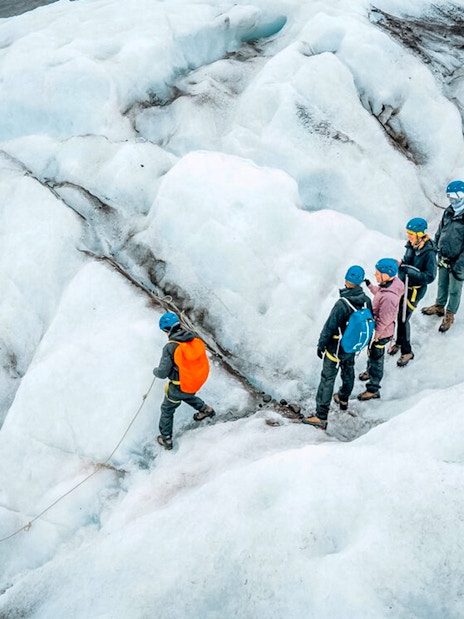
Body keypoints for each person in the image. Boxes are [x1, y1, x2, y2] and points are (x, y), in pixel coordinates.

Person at [303, 265, 372, 429]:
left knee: (327, 378)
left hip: (336, 348)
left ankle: (321, 416)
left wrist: (321, 345)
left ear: (347, 281)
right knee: (348, 371)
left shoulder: (342, 304)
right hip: (352, 347)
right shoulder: (366, 300)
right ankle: (343, 398)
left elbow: (330, 327)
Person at [153, 312, 215, 450]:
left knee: (167, 409)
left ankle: (166, 439)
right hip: (194, 381)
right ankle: (206, 410)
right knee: (186, 395)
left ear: (166, 330)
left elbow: (162, 373)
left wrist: (155, 371)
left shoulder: (170, 347)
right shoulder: (193, 339)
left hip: (178, 386)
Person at [389, 217, 437, 367]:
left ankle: (407, 351)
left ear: (420, 234)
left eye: (411, 233)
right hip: (405, 285)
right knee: (399, 314)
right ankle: (398, 341)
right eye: (408, 233)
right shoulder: (411, 245)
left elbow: (430, 276)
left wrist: (410, 271)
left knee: (404, 318)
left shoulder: (429, 252)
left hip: (415, 290)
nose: (408, 236)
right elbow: (407, 260)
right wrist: (401, 264)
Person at [357, 258, 404, 400]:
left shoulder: (390, 298)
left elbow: (385, 320)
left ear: (387, 274)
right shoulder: (390, 285)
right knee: (372, 353)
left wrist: (374, 336)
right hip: (379, 331)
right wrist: (370, 286)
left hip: (381, 333)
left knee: (377, 359)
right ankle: (369, 372)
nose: (376, 275)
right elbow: (380, 293)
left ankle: (373, 388)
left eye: (378, 273)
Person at [421, 180, 464, 332]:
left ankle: (450, 314)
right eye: (450, 197)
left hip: (459, 262)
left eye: (456, 197)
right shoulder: (449, 211)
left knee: (454, 289)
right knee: (442, 283)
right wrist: (435, 246)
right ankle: (439, 306)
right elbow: (441, 230)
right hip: (444, 256)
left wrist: (459, 264)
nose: (453, 200)